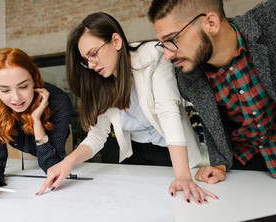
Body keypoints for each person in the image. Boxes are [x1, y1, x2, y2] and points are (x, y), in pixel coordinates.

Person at [37, 12, 218, 204]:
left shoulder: (152, 56)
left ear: (116, 41)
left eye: (93, 53)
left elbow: (168, 112)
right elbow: (98, 135)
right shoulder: (102, 81)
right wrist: (67, 163)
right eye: (86, 60)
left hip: (173, 154)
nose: (91, 64)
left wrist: (182, 176)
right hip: (136, 155)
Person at [148, 0, 276, 184]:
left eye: (173, 39)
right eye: (163, 44)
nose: (168, 55)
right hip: (245, 164)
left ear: (211, 23)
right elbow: (214, 121)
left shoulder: (270, 21)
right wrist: (220, 164)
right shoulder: (187, 78)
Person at [0, 48, 72, 203]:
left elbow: (52, 166)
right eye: (5, 90)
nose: (16, 98)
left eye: (23, 87)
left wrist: (36, 121)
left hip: (51, 149)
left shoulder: (58, 102)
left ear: (34, 79)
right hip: (21, 160)